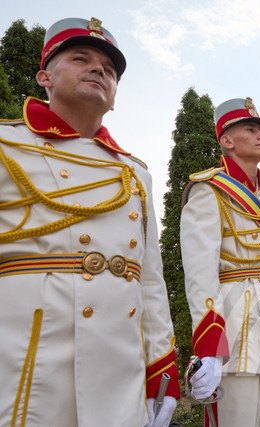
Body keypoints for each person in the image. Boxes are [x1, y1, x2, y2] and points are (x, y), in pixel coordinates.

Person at [0, 17, 179, 426]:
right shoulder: (7, 145)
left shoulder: (135, 173)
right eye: (81, 58)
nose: (99, 69)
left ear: (114, 98)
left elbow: (150, 280)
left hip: (120, 371)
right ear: (44, 76)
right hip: (25, 366)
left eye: (110, 69)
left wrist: (161, 370)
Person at [180, 97, 260, 426]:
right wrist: (208, 344)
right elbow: (200, 274)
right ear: (227, 140)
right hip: (237, 332)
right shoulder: (208, 190)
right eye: (250, 129)